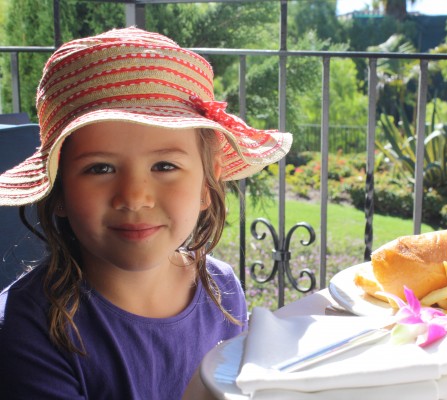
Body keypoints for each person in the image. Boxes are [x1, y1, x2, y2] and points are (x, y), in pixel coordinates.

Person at [0, 27, 292, 399]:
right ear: (58, 191)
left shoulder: (221, 290)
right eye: (100, 168)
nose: (135, 197)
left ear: (207, 183)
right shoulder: (29, 327)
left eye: (165, 166)